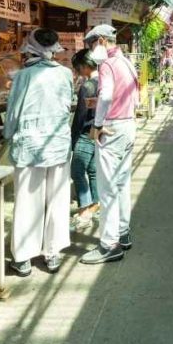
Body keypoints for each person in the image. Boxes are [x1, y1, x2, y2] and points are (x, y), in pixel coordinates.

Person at [4, 28, 74, 276]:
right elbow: (68, 105)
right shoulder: (66, 74)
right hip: (57, 144)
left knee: (26, 200)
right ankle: (52, 253)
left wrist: (6, 134)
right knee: (57, 198)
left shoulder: (23, 76)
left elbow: (12, 113)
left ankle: (23, 258)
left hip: (29, 145)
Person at [80, 24, 139, 265]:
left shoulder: (107, 64)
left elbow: (105, 95)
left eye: (93, 44)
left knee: (107, 187)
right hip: (128, 125)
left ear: (103, 40)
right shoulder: (126, 62)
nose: (92, 50)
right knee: (122, 182)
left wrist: (97, 123)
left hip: (112, 128)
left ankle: (109, 244)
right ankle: (123, 233)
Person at [69, 49, 100, 231]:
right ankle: (95, 204)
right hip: (98, 132)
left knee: (77, 171)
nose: (77, 71)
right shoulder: (103, 82)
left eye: (78, 67)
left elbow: (80, 116)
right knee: (93, 171)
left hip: (85, 134)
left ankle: (84, 209)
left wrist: (73, 139)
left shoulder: (87, 87)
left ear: (85, 66)